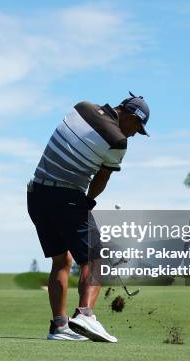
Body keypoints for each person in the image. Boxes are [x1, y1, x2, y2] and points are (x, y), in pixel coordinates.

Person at [27, 92, 150, 342]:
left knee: (61, 260)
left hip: (36, 194)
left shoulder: (82, 107)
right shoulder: (117, 141)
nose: (136, 134)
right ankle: (85, 314)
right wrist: (88, 202)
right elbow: (101, 179)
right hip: (66, 197)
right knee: (96, 258)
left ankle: (60, 327)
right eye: (138, 127)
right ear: (130, 116)